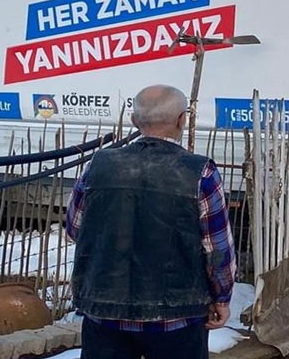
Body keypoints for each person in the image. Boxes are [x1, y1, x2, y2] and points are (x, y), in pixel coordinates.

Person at [66, 84, 236, 359]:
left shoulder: (98, 165)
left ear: (134, 121)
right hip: (177, 316)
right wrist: (222, 297)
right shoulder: (201, 172)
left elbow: (76, 229)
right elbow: (217, 250)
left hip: (105, 313)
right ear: (183, 119)